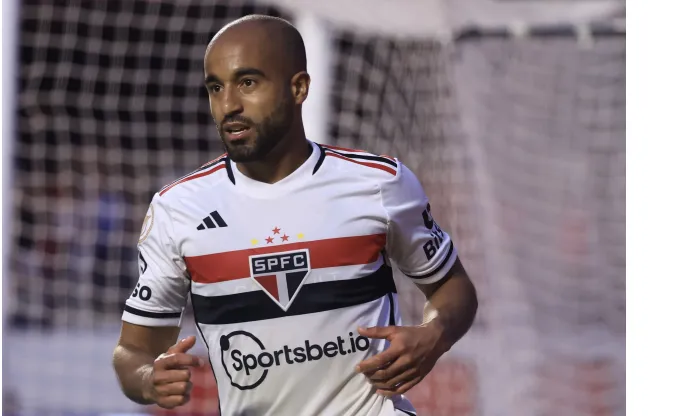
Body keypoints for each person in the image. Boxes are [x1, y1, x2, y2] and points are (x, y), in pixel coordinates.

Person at [112, 14, 478, 416]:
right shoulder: (178, 207)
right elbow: (134, 350)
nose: (228, 105)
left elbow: (452, 286)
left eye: (247, 83)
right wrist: (149, 379)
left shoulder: (378, 183)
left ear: (299, 87)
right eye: (216, 88)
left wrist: (435, 333)